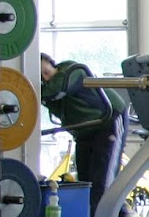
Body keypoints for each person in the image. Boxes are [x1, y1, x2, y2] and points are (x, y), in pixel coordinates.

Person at [39, 53, 125, 209]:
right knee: (86, 183)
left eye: (46, 72)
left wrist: (33, 87)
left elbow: (54, 89)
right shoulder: (51, 93)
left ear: (54, 66)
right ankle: (120, 214)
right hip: (84, 131)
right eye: (41, 77)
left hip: (109, 120)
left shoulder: (71, 70)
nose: (46, 79)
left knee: (102, 181)